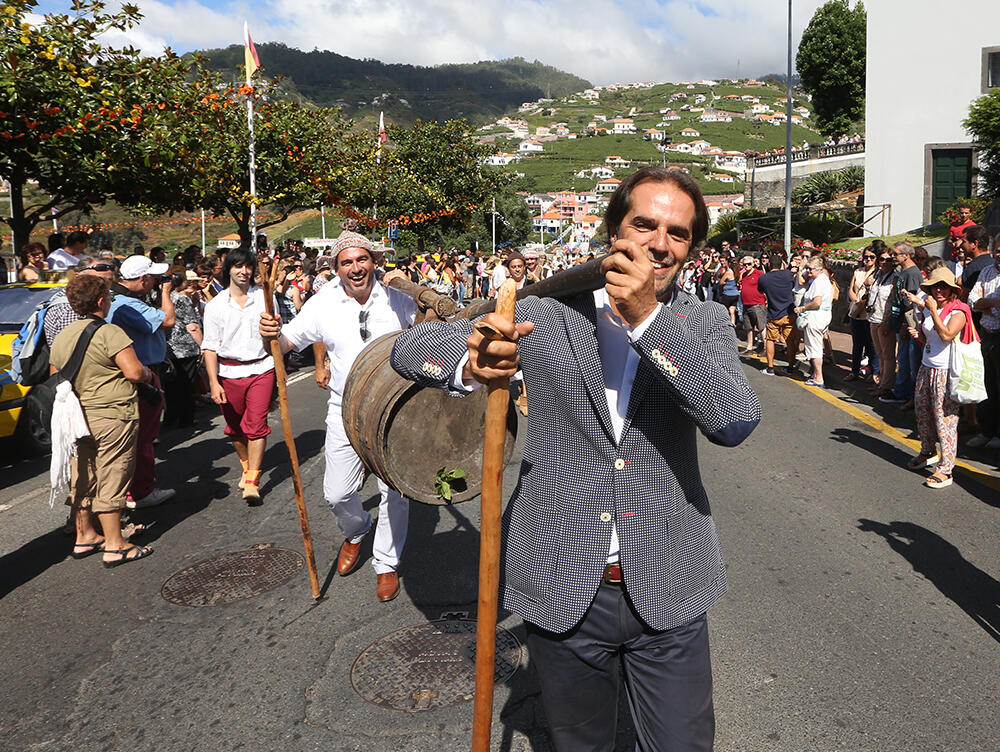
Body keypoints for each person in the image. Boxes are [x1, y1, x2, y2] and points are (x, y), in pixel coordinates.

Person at [391, 166, 761, 752]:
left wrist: (648, 320)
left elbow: (735, 420)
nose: (659, 244)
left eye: (678, 233)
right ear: (615, 229)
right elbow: (411, 350)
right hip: (562, 583)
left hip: (670, 582)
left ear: (693, 247)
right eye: (644, 225)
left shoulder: (703, 321)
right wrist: (473, 361)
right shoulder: (551, 313)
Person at [259, 231, 417, 602]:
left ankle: (386, 563)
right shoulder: (321, 303)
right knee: (338, 492)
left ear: (374, 261)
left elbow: (431, 333)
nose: (356, 268)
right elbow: (286, 343)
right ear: (336, 267)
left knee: (394, 491)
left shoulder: (399, 299)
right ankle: (357, 530)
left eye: (362, 259)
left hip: (394, 411)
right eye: (347, 262)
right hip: (344, 408)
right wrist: (271, 335)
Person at [49, 275, 155, 566]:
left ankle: (85, 536)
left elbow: (54, 377)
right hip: (112, 414)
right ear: (100, 301)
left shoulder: (63, 336)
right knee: (112, 474)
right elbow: (133, 372)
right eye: (108, 296)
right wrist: (147, 375)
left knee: (83, 474)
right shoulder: (110, 333)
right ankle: (115, 544)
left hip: (75, 418)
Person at [202, 247, 275, 503]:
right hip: (228, 372)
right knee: (235, 428)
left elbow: (274, 337)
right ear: (228, 270)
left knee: (256, 426)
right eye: (238, 267)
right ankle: (246, 465)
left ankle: (253, 480)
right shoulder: (215, 306)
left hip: (261, 368)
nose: (243, 272)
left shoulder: (265, 297)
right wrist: (213, 382)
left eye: (248, 267)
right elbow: (209, 346)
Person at [108, 254, 175, 509]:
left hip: (130, 374)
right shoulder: (127, 304)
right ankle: (141, 491)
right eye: (155, 278)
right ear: (143, 278)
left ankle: (129, 490)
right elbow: (167, 320)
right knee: (143, 436)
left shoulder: (122, 300)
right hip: (142, 374)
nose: (157, 281)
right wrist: (166, 291)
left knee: (132, 437)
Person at [903, 268, 971, 488]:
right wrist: (920, 335)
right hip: (927, 366)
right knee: (922, 412)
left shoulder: (959, 310)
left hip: (946, 371)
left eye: (943, 287)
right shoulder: (931, 309)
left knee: (945, 419)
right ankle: (928, 450)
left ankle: (946, 469)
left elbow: (947, 335)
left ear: (952, 290)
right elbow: (932, 338)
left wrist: (931, 310)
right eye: (935, 287)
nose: (939, 290)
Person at [966, 233, 1000, 450]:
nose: (999, 254)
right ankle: (987, 431)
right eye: (997, 249)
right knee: (986, 386)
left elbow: (980, 302)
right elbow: (971, 300)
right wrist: (995, 304)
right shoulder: (987, 272)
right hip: (986, 334)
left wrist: (986, 303)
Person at [880, 243, 923, 405]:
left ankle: (904, 394)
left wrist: (906, 325)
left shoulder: (912, 274)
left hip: (907, 324)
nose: (893, 257)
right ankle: (901, 391)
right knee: (902, 357)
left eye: (896, 254)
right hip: (900, 322)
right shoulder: (904, 272)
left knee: (906, 360)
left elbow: (911, 302)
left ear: (906, 255)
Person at [162, 273, 204, 429]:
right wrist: (202, 346)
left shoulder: (156, 297)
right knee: (186, 384)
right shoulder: (181, 299)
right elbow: (192, 326)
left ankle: (170, 417)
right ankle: (186, 418)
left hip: (166, 347)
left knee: (170, 386)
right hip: (185, 347)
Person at [794, 256, 833, 387]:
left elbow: (817, 302)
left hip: (816, 316)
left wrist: (802, 308)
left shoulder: (818, 282)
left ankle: (819, 377)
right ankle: (816, 374)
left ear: (819, 269)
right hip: (822, 315)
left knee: (814, 347)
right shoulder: (822, 280)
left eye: (810, 269)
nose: (808, 272)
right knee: (814, 345)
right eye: (807, 268)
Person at [757, 252, 797, 376]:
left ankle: (770, 368)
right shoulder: (788, 275)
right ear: (781, 264)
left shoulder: (764, 278)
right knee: (790, 341)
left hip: (774, 313)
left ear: (769, 264)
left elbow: (760, 290)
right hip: (789, 312)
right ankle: (790, 367)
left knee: (770, 340)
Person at [867, 249, 898, 396]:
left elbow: (894, 302)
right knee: (879, 353)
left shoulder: (895, 278)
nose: (884, 262)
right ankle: (880, 381)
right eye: (882, 259)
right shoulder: (877, 275)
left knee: (887, 354)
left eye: (888, 260)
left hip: (885, 320)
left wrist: (888, 321)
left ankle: (886, 385)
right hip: (873, 317)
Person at [846, 247, 879, 381]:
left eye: (872, 257)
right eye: (866, 256)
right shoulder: (858, 271)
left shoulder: (877, 273)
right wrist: (856, 301)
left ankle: (873, 372)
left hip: (868, 313)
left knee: (871, 344)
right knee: (857, 343)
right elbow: (851, 289)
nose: (868, 259)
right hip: (855, 312)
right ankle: (854, 371)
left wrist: (861, 305)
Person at [738, 255, 766, 352]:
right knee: (749, 327)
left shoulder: (759, 274)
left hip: (757, 303)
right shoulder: (744, 275)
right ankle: (749, 346)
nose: (747, 266)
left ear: (753, 264)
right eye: (745, 264)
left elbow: (765, 288)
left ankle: (766, 347)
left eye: (749, 264)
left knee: (761, 326)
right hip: (746, 304)